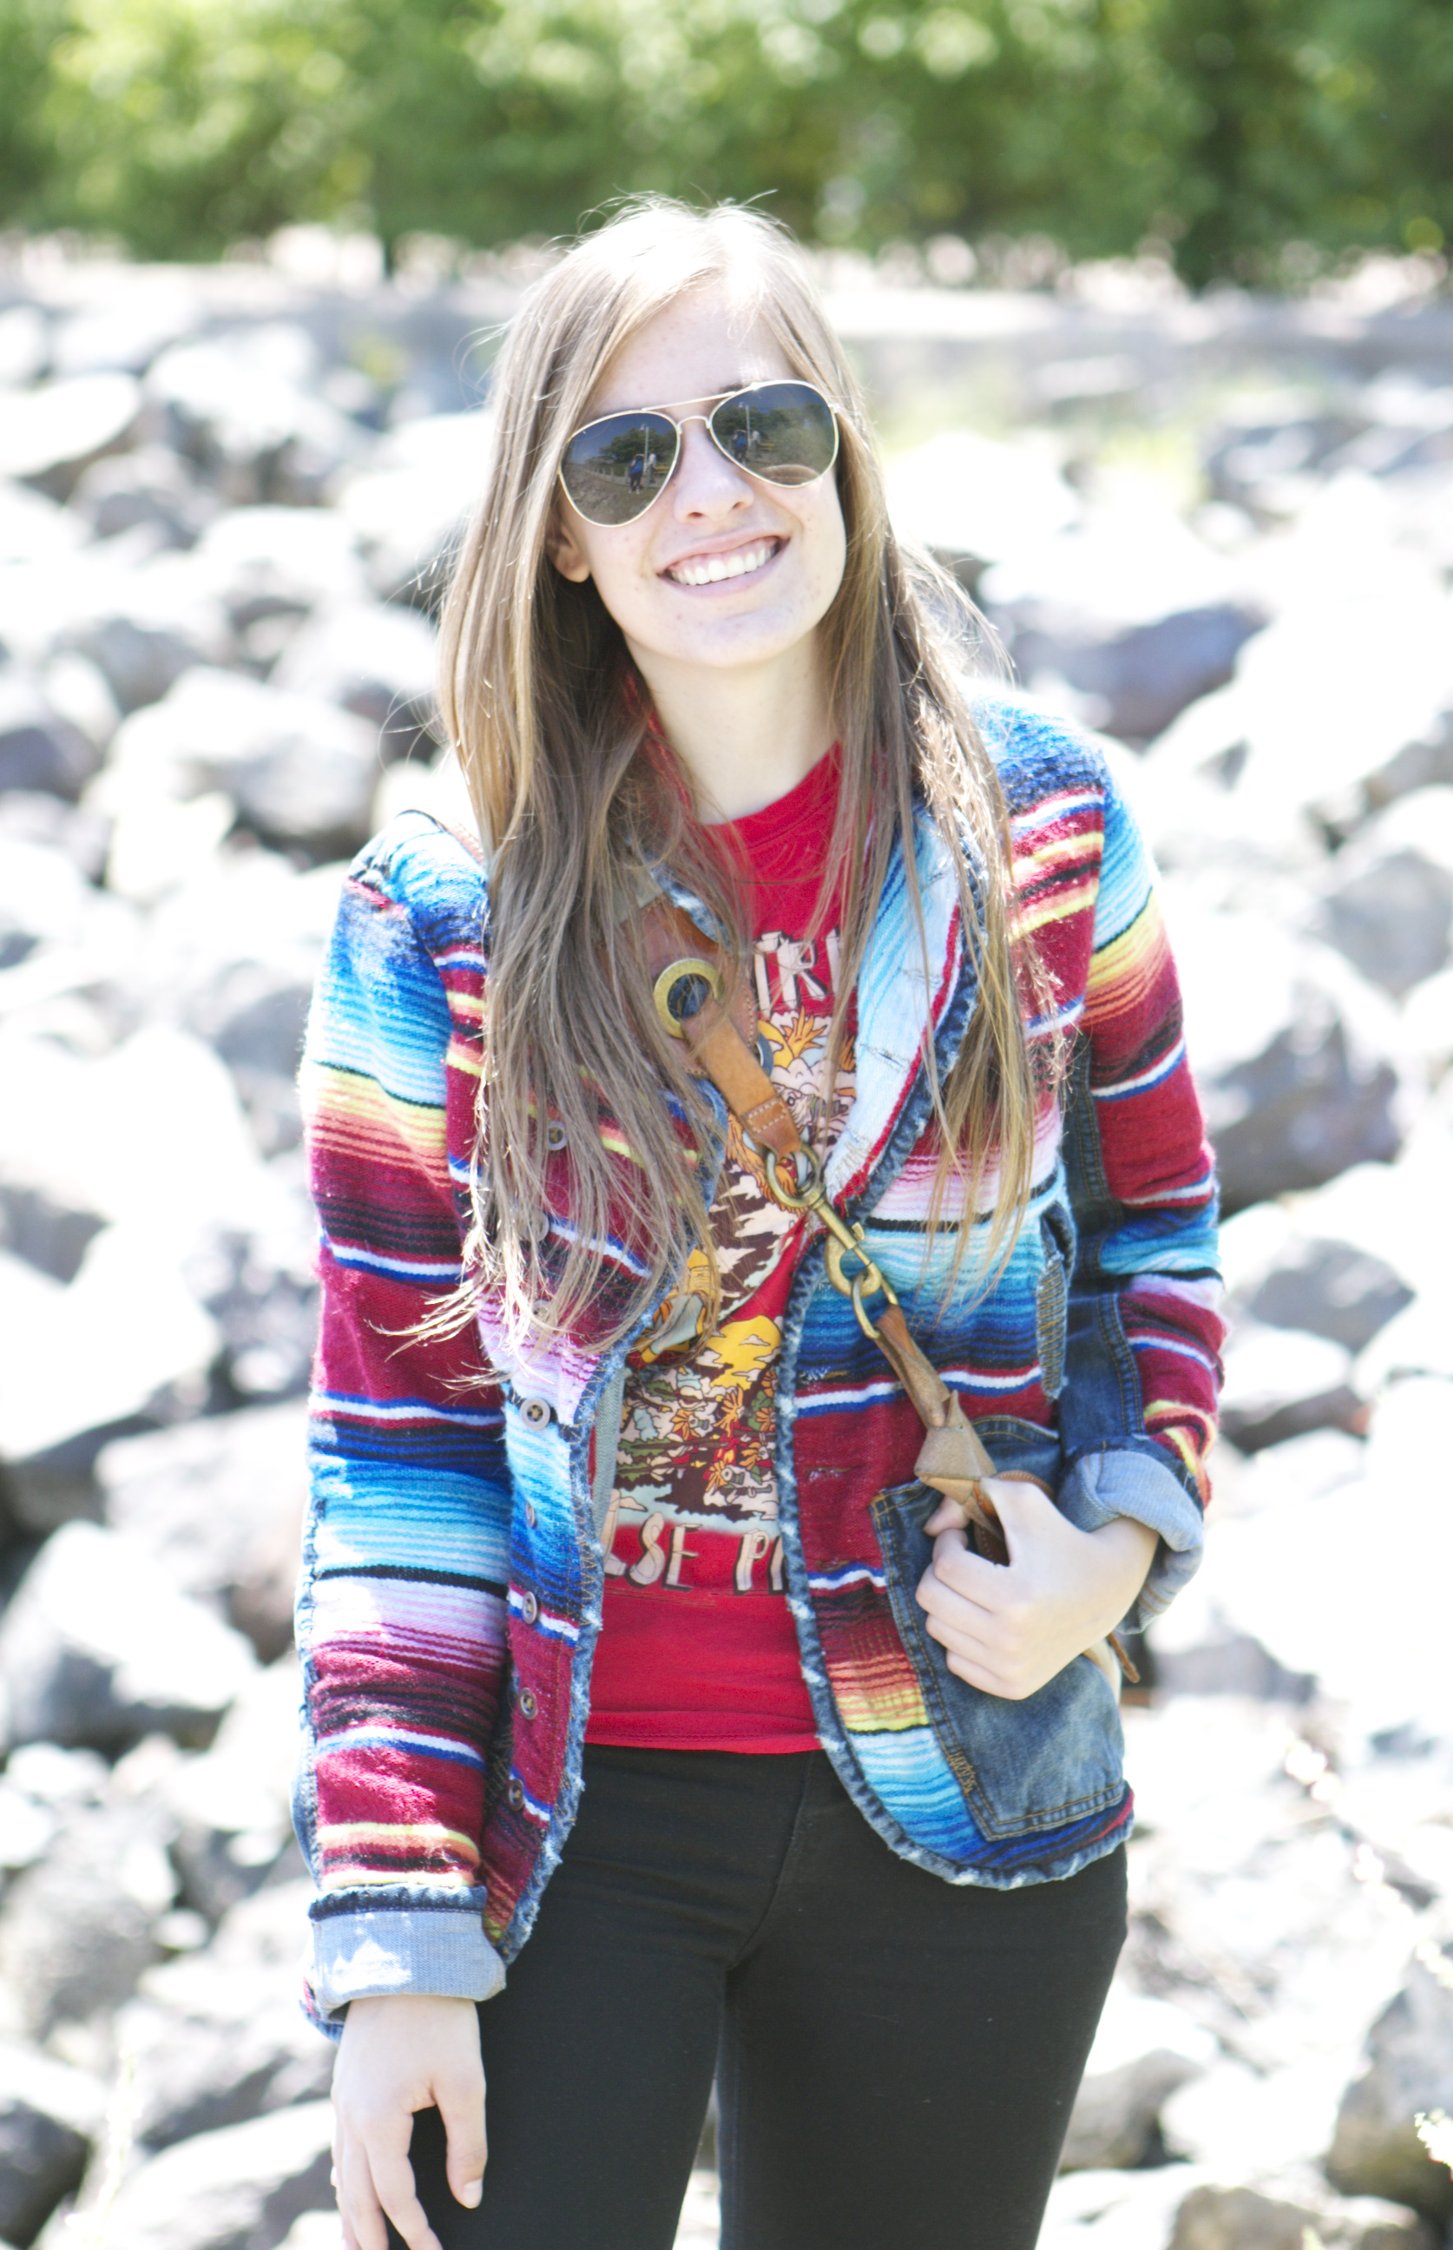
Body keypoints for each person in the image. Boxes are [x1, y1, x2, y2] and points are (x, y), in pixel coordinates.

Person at [293, 195, 1224, 2250]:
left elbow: (1154, 1238)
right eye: (626, 459)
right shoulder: (440, 913)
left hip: (966, 1794)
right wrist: (394, 1932)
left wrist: (1118, 1552)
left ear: (844, 451)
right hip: (562, 1829)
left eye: (762, 426)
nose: (708, 496)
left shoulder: (1048, 833)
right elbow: (396, 1444)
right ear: (559, 534)